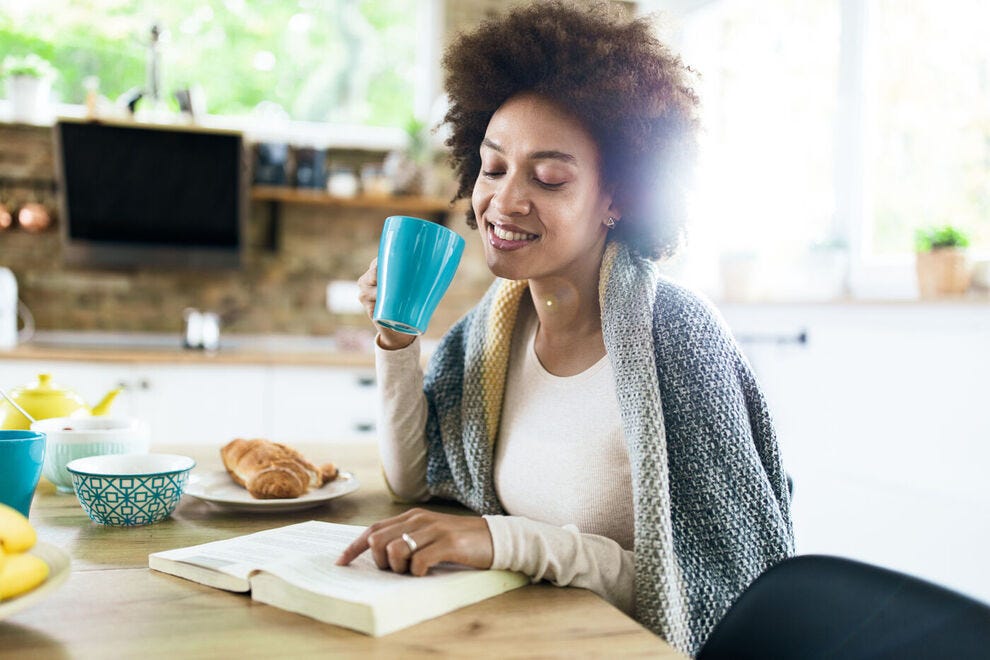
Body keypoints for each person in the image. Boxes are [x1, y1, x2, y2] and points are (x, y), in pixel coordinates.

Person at [337, 2, 794, 655]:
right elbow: (415, 479)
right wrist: (397, 340)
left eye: (548, 178)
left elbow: (715, 590)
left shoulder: (678, 337)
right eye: (493, 168)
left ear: (618, 198)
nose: (505, 200)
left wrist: (506, 542)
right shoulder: (487, 334)